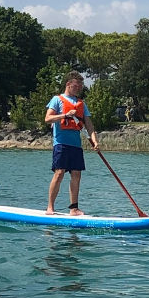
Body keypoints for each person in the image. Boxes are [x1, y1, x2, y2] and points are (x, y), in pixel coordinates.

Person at [44, 71, 98, 216]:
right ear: (69, 84)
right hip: (60, 143)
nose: (79, 87)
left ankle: (74, 208)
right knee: (59, 173)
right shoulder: (57, 99)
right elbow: (48, 119)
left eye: (81, 85)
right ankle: (50, 207)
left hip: (76, 145)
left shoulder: (81, 104)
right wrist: (65, 115)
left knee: (76, 174)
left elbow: (89, 125)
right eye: (77, 84)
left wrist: (94, 140)